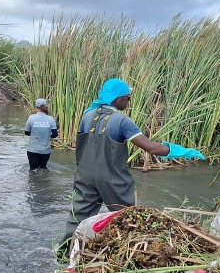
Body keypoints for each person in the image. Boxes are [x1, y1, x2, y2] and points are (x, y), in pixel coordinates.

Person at [60, 78, 205, 246]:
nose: (129, 101)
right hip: (113, 180)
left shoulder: (87, 116)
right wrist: (183, 151)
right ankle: (127, 250)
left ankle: (66, 253)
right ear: (117, 99)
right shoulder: (121, 121)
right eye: (127, 98)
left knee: (77, 220)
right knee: (127, 219)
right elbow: (151, 148)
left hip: (84, 178)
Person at [24, 98, 58, 170]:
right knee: (43, 169)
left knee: (33, 170)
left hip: (32, 150)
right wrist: (48, 136)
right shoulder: (51, 119)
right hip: (45, 151)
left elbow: (26, 132)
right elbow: (55, 134)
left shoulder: (31, 118)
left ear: (36, 107)